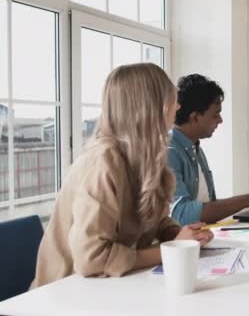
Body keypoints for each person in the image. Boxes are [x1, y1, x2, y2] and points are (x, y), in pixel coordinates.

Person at [31, 63, 214, 288]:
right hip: (65, 293)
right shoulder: (103, 161)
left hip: (106, 288)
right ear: (148, 107)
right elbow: (92, 258)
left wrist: (181, 235)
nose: (177, 106)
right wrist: (169, 250)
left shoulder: (143, 156)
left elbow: (152, 220)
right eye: (170, 99)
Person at [169, 74, 249, 226]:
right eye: (216, 114)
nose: (220, 120)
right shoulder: (169, 153)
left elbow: (208, 206)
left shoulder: (195, 148)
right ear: (194, 118)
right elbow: (182, 215)